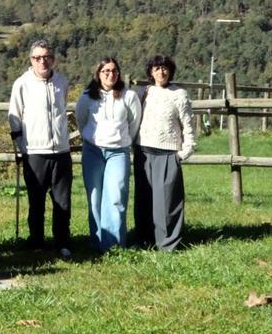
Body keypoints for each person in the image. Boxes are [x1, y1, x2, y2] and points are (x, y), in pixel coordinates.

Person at [8, 40, 73, 257]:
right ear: (31, 60)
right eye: (37, 57)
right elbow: (14, 116)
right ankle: (36, 241)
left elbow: (62, 108)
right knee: (36, 202)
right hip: (35, 151)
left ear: (53, 59)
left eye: (46, 57)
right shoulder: (22, 84)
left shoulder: (62, 82)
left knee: (62, 201)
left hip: (61, 151)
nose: (42, 61)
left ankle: (62, 242)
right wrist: (21, 147)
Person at [75, 57, 142, 252]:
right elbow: (81, 120)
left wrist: (123, 140)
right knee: (95, 197)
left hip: (118, 152)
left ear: (118, 74)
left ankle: (113, 245)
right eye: (106, 71)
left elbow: (134, 122)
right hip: (93, 151)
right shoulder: (87, 97)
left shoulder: (128, 96)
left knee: (116, 196)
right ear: (98, 74)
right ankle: (97, 241)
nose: (110, 74)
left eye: (114, 71)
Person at [134, 55, 195, 251]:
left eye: (165, 68)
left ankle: (168, 243)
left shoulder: (179, 94)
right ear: (151, 72)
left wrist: (184, 152)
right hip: (144, 152)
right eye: (157, 68)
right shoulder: (144, 93)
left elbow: (188, 124)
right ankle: (145, 239)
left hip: (168, 153)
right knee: (144, 199)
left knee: (167, 202)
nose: (161, 72)